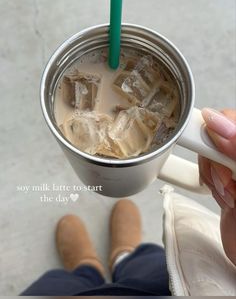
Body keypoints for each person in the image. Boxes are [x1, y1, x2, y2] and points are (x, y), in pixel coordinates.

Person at [21, 108, 236, 295]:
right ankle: (122, 257)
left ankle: (85, 269)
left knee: (61, 285)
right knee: (146, 265)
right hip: (164, 286)